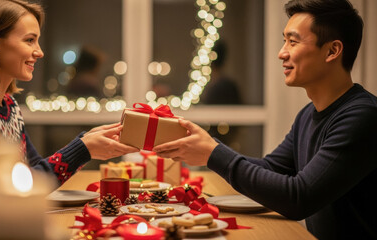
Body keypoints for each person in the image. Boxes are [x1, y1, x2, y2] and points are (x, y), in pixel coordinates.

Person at [154, 0, 377, 239]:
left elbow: (298, 198)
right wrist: (209, 147)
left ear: (332, 51)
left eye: (293, 42)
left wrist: (212, 153)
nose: (282, 53)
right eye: (284, 41)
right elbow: (272, 169)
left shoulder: (363, 116)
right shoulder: (307, 115)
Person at [0, 0, 138, 219]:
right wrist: (83, 149)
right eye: (30, 40)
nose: (39, 52)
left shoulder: (9, 105)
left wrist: (86, 142)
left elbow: (34, 176)